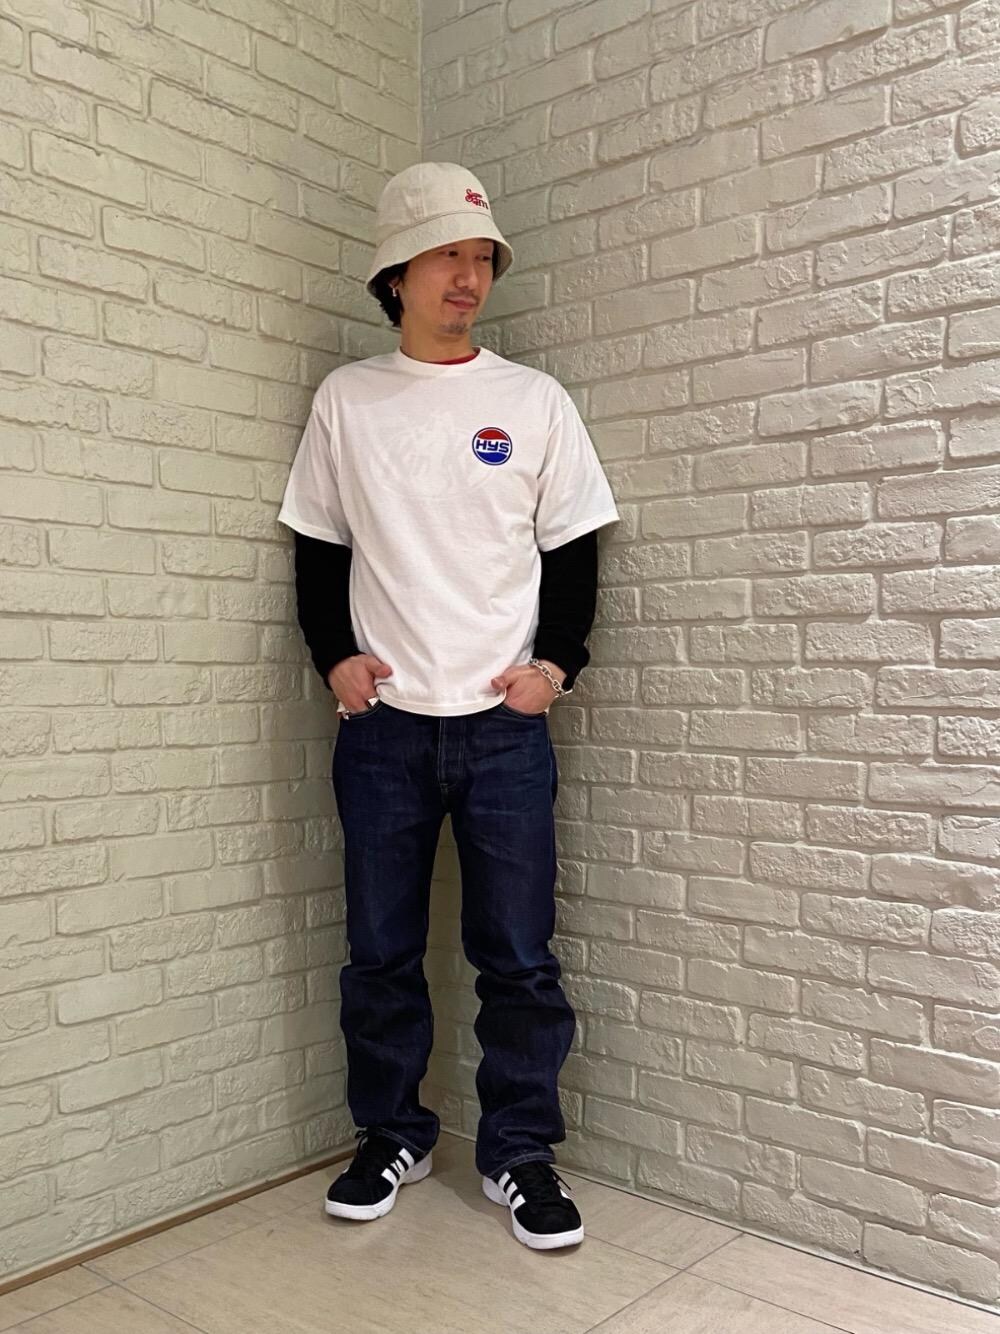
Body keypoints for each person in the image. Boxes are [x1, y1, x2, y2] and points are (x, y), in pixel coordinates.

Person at [276, 162, 619, 1251]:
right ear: (397, 274)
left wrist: (553, 667)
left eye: (481, 259)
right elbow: (318, 543)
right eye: (445, 258)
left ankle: (520, 1152)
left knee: (517, 955)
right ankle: (392, 1134)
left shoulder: (533, 401)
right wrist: (333, 657)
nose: (467, 278)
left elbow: (574, 548)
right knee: (378, 950)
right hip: (382, 729)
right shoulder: (349, 399)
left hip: (504, 728)